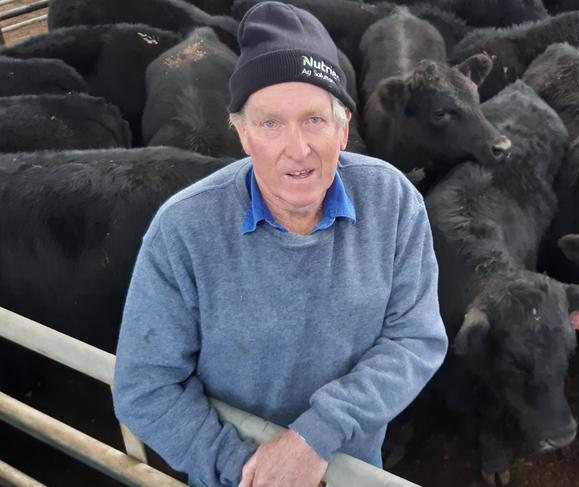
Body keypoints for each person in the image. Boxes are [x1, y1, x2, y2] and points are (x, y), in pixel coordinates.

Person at [112, 2, 448, 486]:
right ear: (243, 133)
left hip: (352, 469)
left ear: (343, 126)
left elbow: (415, 337)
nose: (298, 149)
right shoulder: (183, 230)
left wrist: (315, 436)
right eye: (271, 124)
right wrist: (246, 469)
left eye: (314, 119)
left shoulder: (392, 201)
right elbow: (145, 387)